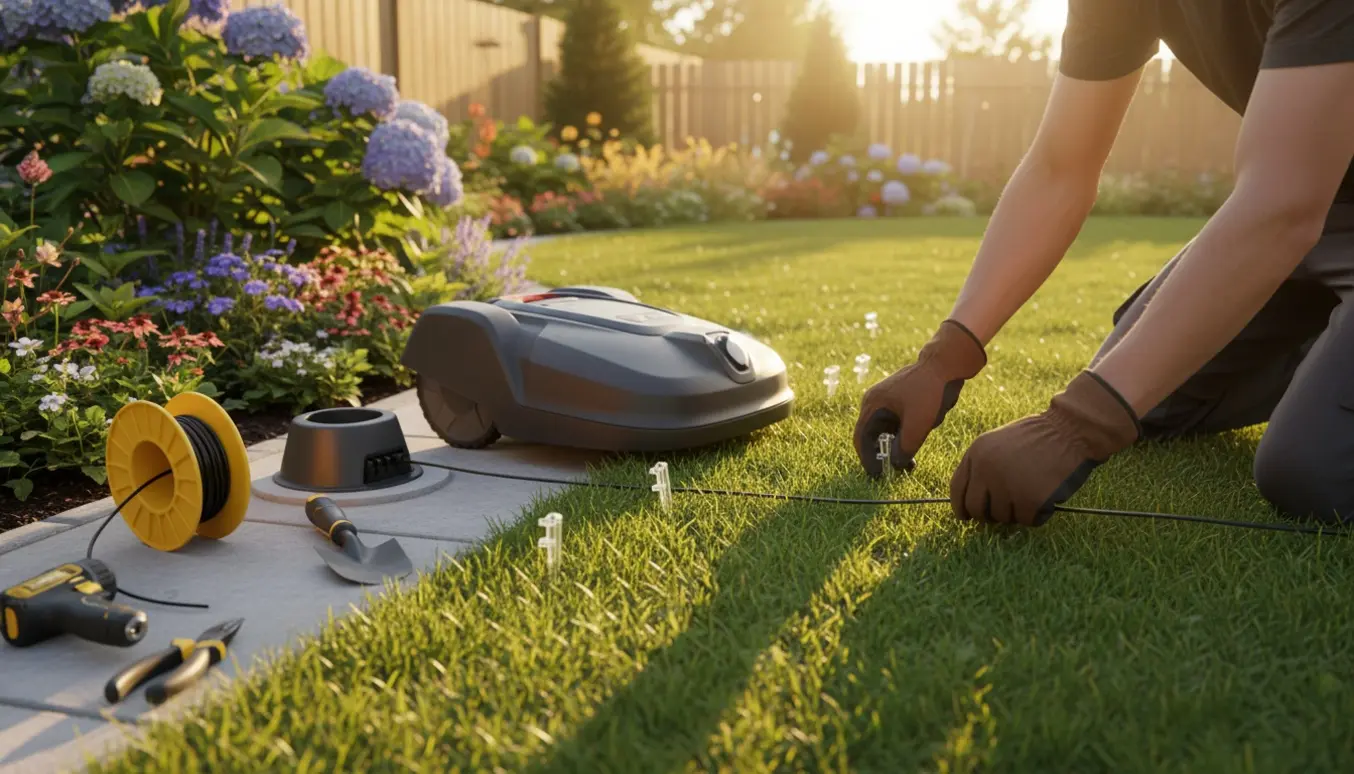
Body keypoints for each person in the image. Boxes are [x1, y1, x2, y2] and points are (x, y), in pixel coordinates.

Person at [853, 0, 1354, 528]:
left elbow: (1282, 205)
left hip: (1300, 206)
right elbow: (1059, 168)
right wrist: (943, 358)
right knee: (1151, 401)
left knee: (1313, 469)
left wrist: (1079, 424)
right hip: (1327, 212)